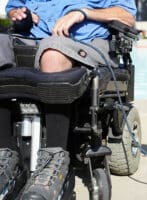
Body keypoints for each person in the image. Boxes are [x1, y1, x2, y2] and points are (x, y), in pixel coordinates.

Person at [0, 1, 136, 199]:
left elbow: (127, 16)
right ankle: (6, 157)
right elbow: (14, 6)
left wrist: (83, 13)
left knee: (53, 50)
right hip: (30, 41)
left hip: (82, 43)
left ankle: (55, 163)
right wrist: (19, 14)